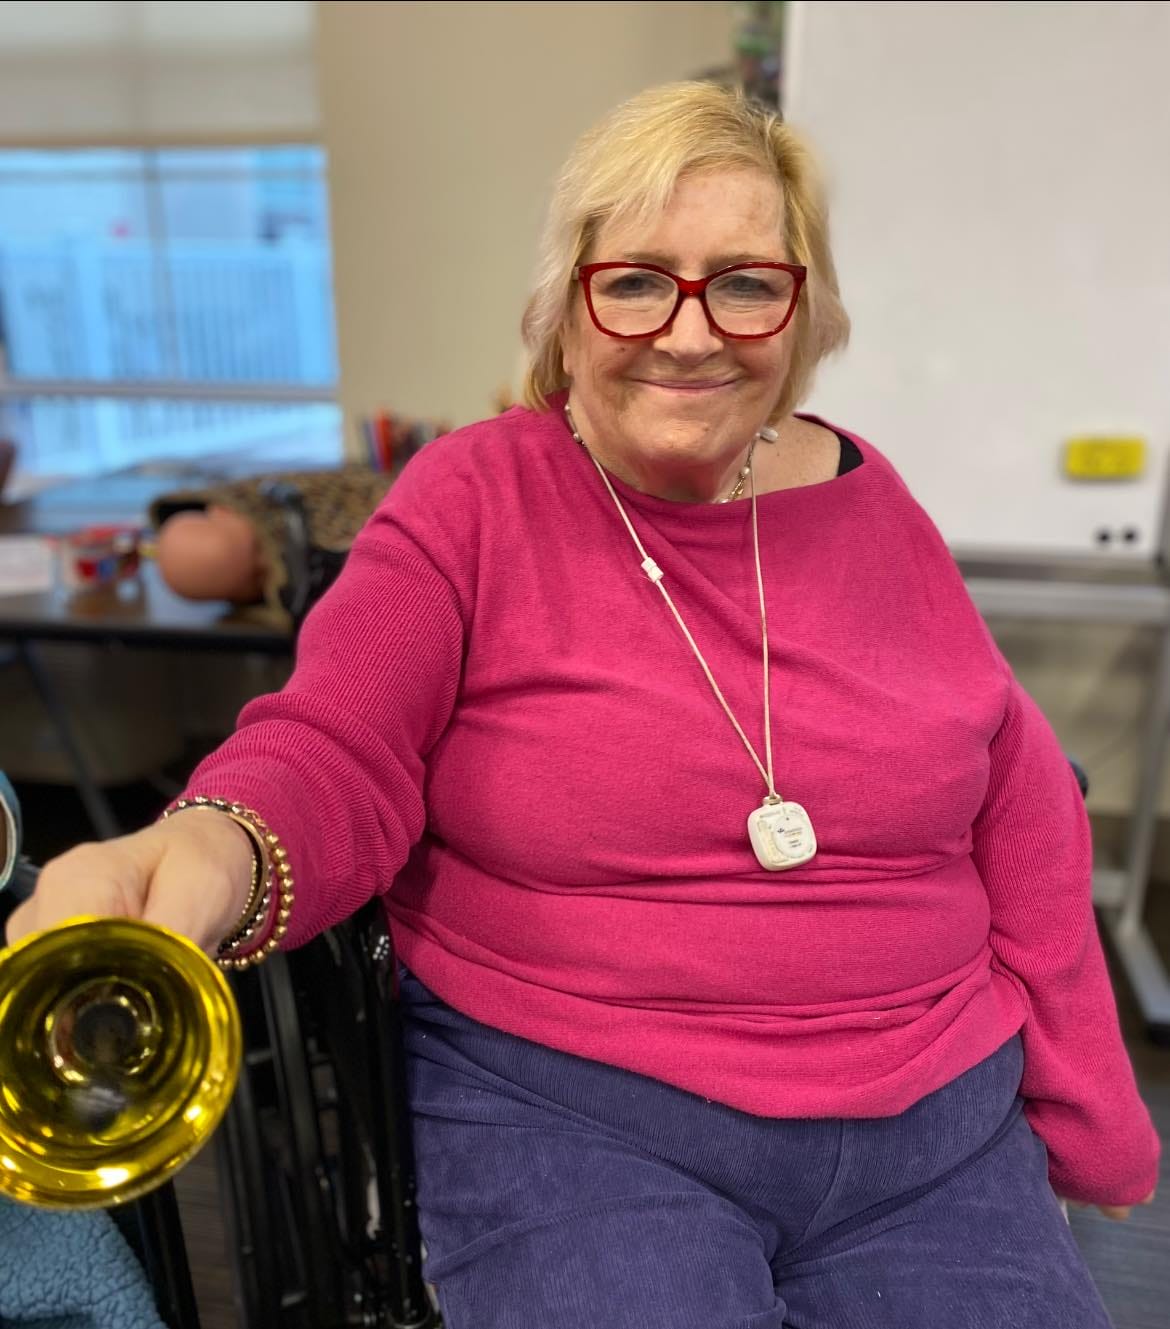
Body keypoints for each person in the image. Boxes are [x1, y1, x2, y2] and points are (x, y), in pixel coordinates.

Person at [7, 83, 1158, 1328]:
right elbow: (337, 745)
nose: (689, 332)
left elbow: (1019, 779)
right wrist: (215, 840)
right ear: (567, 303)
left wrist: (1090, 1106)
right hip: (583, 1113)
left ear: (804, 310)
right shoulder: (472, 500)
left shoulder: (874, 503)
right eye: (637, 280)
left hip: (936, 1122)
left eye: (746, 282)